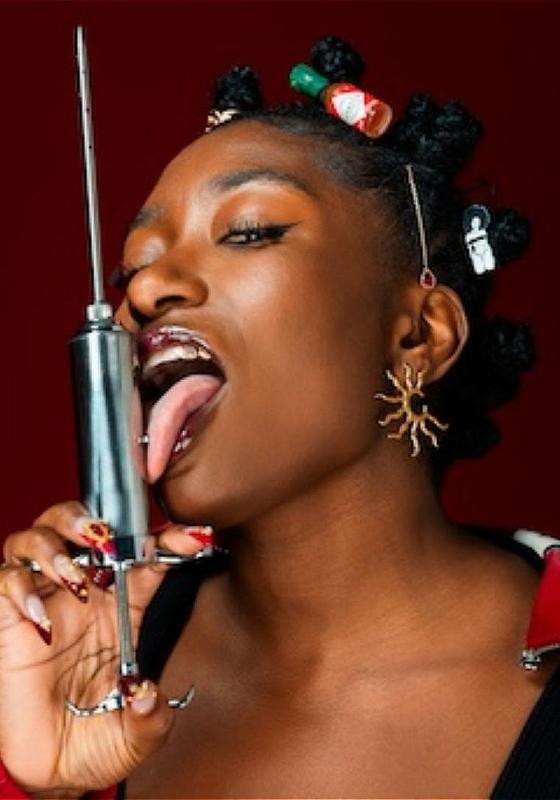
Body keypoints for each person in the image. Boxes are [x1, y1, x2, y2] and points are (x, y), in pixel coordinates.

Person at [0, 35, 557, 799]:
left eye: (250, 231)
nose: (146, 289)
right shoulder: (90, 674)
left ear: (418, 334)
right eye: (133, 269)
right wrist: (37, 783)